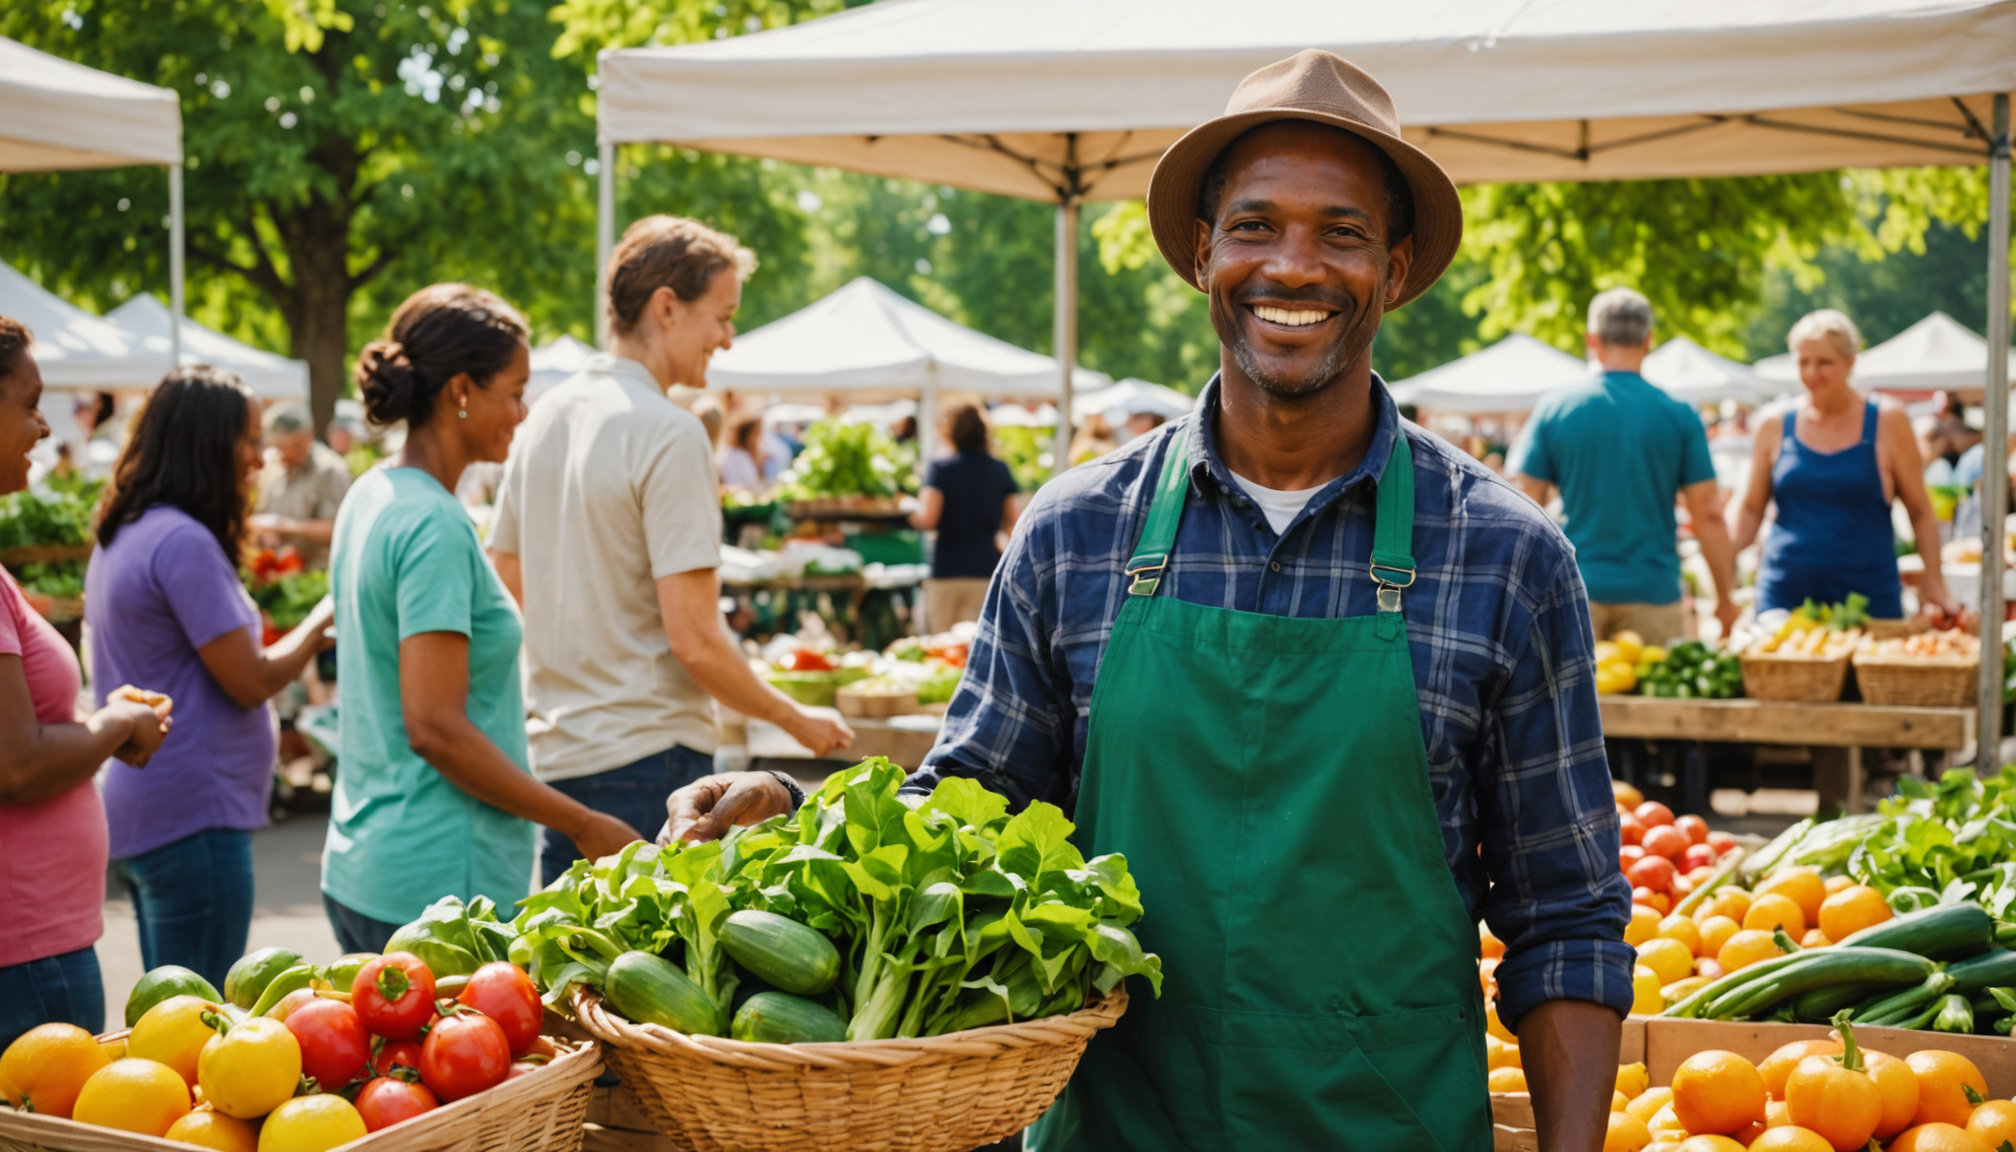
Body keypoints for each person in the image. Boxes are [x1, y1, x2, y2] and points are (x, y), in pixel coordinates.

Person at [665, 50, 1628, 1152]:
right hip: (1114, 1126)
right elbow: (973, 805)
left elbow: (1566, 915)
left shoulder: (1506, 555)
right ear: (1202, 251)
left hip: (1386, 1126)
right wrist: (795, 812)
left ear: (1395, 268)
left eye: (1342, 233)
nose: (1293, 265)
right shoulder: (1077, 531)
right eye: (1256, 225)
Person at [490, 217, 851, 887]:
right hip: (650, 756)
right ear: (666, 307)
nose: (727, 337)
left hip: (559, 757)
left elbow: (507, 579)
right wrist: (795, 719)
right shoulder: (670, 432)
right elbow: (695, 639)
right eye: (722, 315)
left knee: (578, 949)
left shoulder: (542, 419)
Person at [322, 284, 640, 952]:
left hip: (364, 862)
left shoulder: (371, 493)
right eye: (515, 392)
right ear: (460, 391)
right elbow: (435, 727)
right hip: (438, 886)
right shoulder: (433, 524)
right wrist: (582, 822)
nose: (522, 413)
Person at [84, 366, 332, 990]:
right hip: (193, 815)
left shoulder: (129, 529)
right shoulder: (182, 541)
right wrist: (321, 619)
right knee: (203, 1014)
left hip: (157, 809)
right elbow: (251, 679)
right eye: (248, 439)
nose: (259, 457)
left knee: (170, 1008)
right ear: (206, 443)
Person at [0, 317, 171, 1048]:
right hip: (26, 956)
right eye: (29, 405)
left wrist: (101, 722)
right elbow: (17, 763)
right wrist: (115, 725)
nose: (44, 427)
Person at [1508, 289, 1741, 642]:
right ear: (1648, 340)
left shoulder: (1556, 409)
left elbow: (1525, 503)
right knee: (1653, 680)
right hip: (1653, 592)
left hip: (1574, 590)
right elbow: (1708, 512)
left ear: (1592, 340)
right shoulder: (1679, 414)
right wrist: (1725, 599)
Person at [1733, 309, 1960, 622]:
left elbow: (1920, 510)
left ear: (1851, 362)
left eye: (1824, 362)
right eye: (1803, 362)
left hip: (1869, 598)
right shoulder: (1774, 424)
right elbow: (1750, 509)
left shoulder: (1887, 420)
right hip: (1785, 596)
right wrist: (1723, 569)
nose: (1812, 373)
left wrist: (1934, 581)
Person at [911, 404, 1019, 633]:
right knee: (979, 645)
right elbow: (1015, 524)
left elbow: (928, 519)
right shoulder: (999, 469)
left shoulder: (941, 468)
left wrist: (906, 512)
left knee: (942, 645)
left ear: (950, 430)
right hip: (987, 569)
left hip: (948, 569)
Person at [249, 403, 353, 569]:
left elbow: (341, 528)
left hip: (316, 574)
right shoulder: (271, 464)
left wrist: (287, 527)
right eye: (278, 447)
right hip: (275, 571)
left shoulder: (329, 471)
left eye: (290, 447)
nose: (283, 455)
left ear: (307, 437)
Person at [718, 415, 765, 491]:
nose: (758, 440)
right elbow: (741, 488)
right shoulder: (736, 457)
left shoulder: (741, 455)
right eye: (756, 435)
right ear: (747, 435)